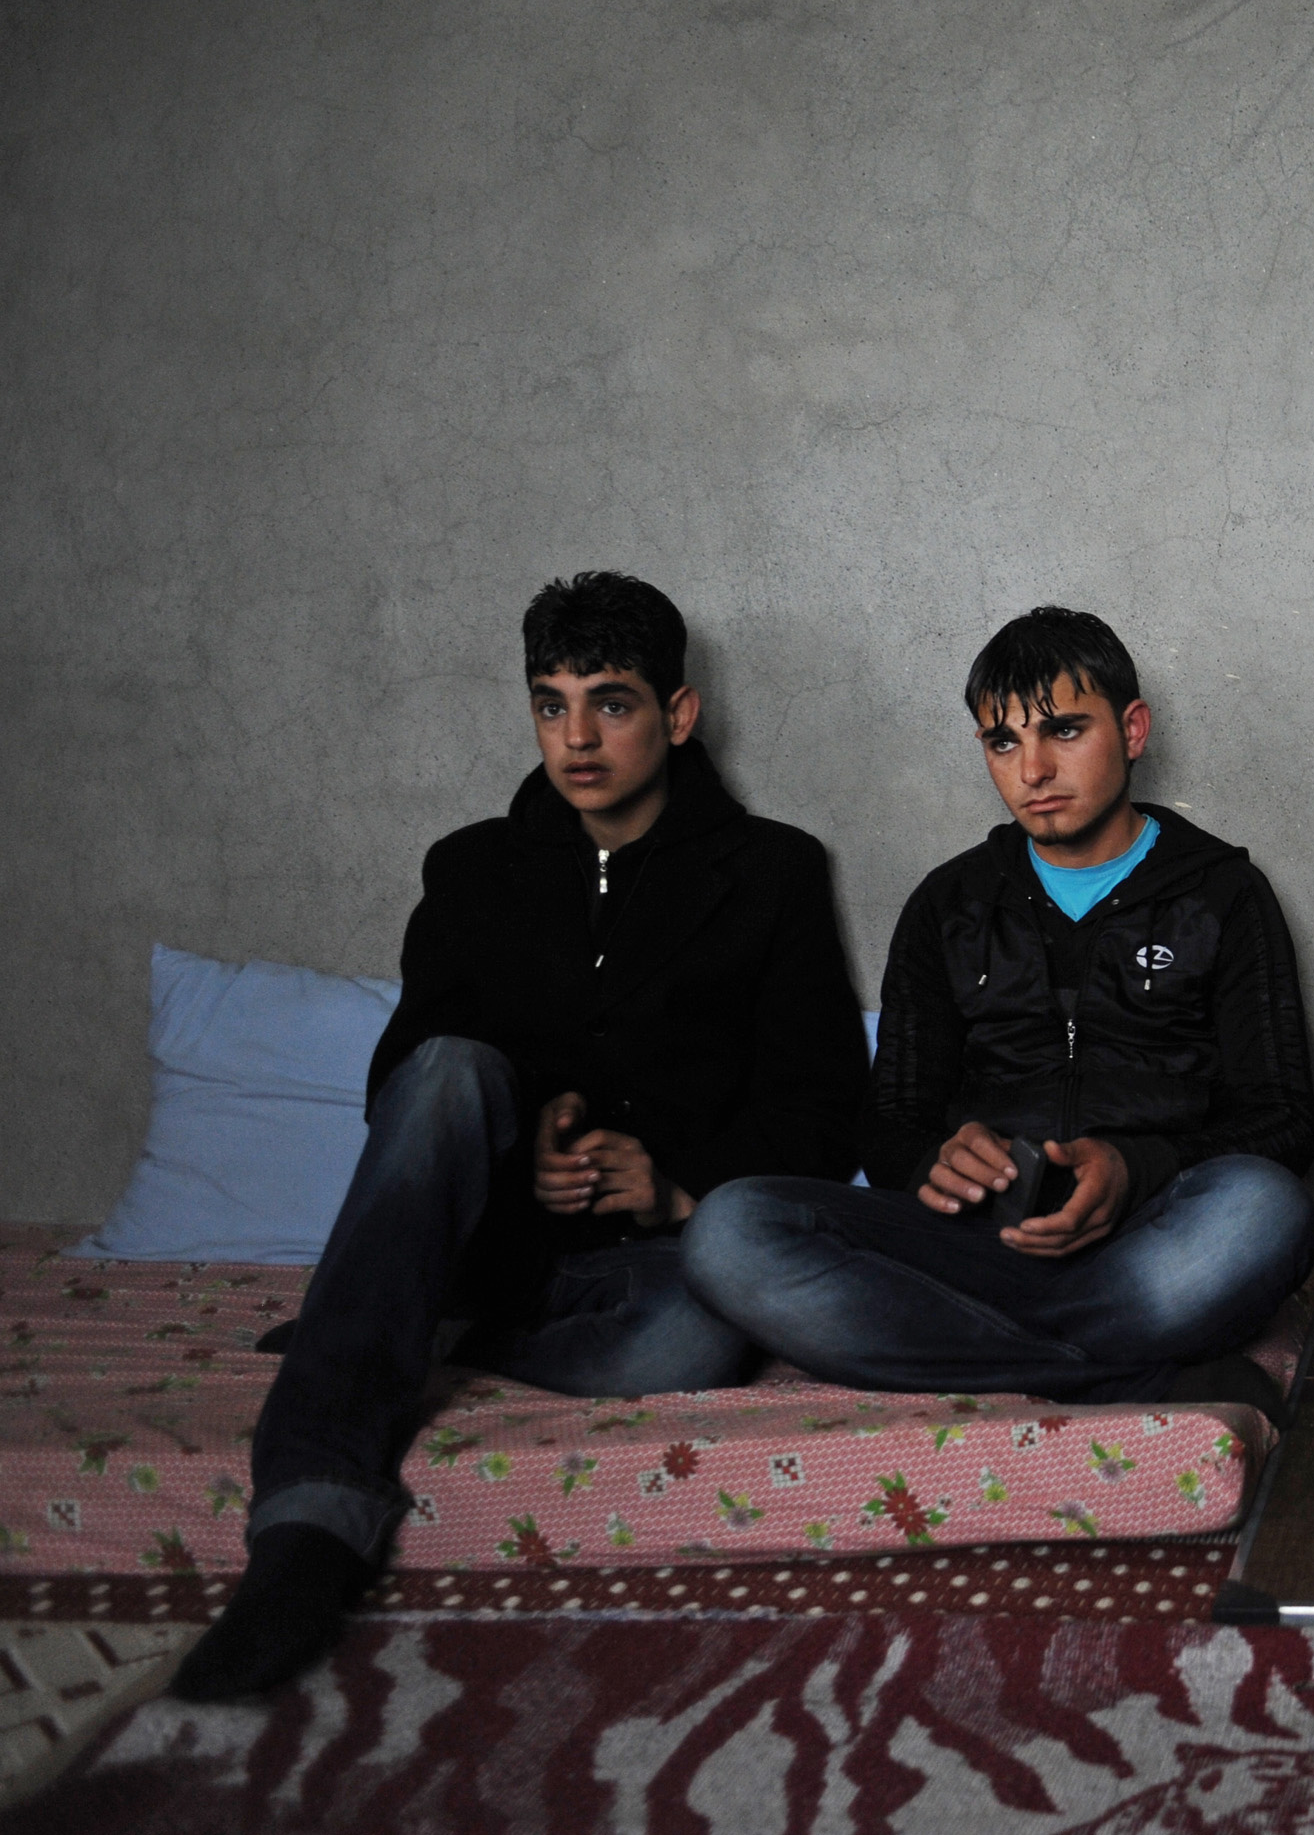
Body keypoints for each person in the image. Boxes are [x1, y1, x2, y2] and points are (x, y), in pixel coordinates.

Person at [173, 573, 869, 1700]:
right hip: (492, 1225)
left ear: (680, 715)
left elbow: (825, 1104)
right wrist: (530, 1121)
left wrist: (674, 1184)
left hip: (640, 1268)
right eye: (552, 704)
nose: (578, 737)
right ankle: (308, 1523)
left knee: (692, 1347)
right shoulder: (471, 868)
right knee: (449, 1067)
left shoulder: (774, 872)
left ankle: (432, 1332)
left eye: (612, 702)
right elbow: (406, 1090)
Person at [681, 607, 1314, 1417]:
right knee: (731, 1229)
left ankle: (984, 1351)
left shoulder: (1222, 894)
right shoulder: (949, 903)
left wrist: (1136, 1168)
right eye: (1004, 742)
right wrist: (935, 1159)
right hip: (973, 1246)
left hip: (1151, 1237)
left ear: (1132, 729)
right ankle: (1119, 1370)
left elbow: (1286, 1122)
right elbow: (889, 1124)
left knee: (1266, 1210)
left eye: (1064, 730)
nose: (1035, 769)